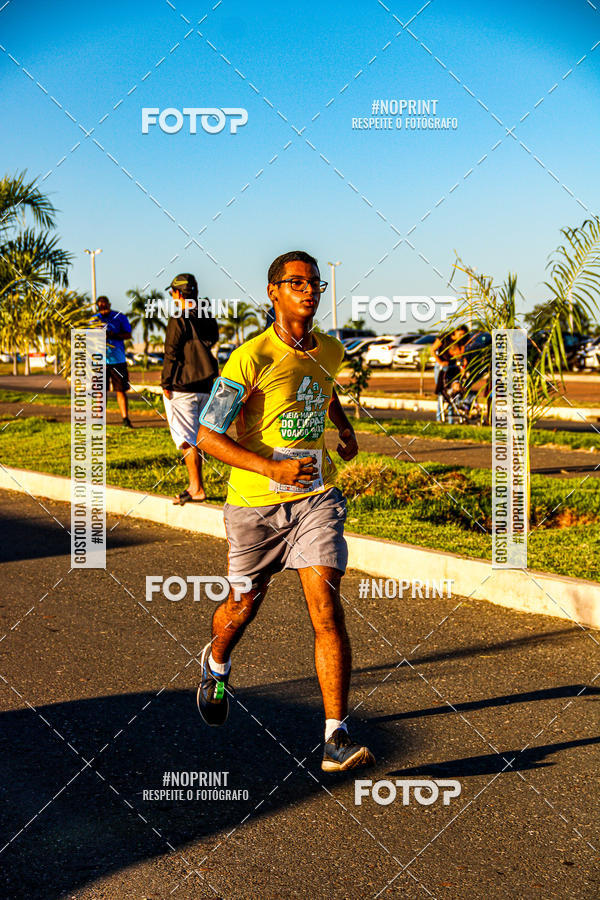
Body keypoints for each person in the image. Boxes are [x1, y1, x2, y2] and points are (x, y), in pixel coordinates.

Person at [195, 250, 375, 773]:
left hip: (316, 500)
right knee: (242, 608)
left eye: (315, 282)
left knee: (326, 607)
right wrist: (269, 469)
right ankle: (217, 661)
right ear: (273, 292)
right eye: (296, 282)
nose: (309, 290)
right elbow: (206, 437)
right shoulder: (251, 358)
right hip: (254, 509)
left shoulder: (332, 350)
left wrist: (342, 428)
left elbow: (320, 389)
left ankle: (335, 737)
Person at [161, 274, 219, 505]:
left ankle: (196, 488)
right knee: (202, 436)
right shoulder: (206, 315)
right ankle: (197, 485)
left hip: (182, 386)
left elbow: (171, 352)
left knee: (187, 439)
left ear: (177, 293)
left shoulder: (179, 317)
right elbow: (213, 340)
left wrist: (166, 381)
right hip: (206, 383)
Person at [94, 296, 133, 427]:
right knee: (100, 392)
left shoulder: (119, 317)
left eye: (105, 306)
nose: (103, 309)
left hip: (118, 360)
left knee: (120, 390)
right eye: (101, 307)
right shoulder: (93, 319)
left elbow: (128, 334)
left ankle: (125, 419)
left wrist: (113, 335)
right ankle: (99, 419)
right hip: (99, 361)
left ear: (109, 305)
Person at [432, 325, 468, 423]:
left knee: (452, 392)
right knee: (442, 391)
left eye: (463, 335)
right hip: (441, 367)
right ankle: (440, 418)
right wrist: (440, 362)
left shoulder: (461, 341)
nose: (461, 336)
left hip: (453, 366)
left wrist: (463, 365)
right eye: (460, 334)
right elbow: (432, 350)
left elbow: (461, 354)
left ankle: (451, 419)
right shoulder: (445, 337)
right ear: (455, 331)